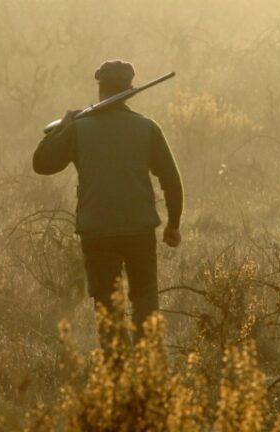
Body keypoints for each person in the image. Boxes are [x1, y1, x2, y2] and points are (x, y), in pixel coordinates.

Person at [32, 60, 183, 341]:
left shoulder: (78, 129)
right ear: (130, 90)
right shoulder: (148, 128)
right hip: (139, 231)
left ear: (100, 90)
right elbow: (171, 179)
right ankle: (148, 371)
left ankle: (114, 375)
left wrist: (62, 127)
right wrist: (173, 224)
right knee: (146, 304)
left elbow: (42, 163)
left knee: (107, 310)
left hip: (97, 233)